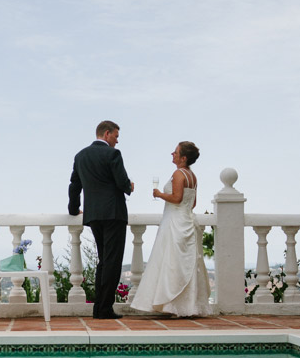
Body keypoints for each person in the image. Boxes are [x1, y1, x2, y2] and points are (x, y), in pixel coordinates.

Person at [130, 141, 211, 317]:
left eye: (175, 152)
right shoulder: (192, 176)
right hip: (187, 220)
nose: (172, 154)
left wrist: (159, 194)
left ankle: (171, 303)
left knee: (171, 261)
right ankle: (186, 305)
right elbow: (193, 202)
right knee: (185, 263)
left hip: (174, 221)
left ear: (183, 158)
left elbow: (176, 198)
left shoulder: (178, 173)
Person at [68, 120, 134, 319]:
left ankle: (100, 307)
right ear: (106, 134)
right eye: (115, 136)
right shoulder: (113, 154)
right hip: (114, 213)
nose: (117, 141)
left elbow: (74, 186)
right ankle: (104, 308)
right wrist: (130, 186)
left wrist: (73, 210)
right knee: (112, 262)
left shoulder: (80, 156)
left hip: (93, 215)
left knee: (103, 261)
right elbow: (122, 183)